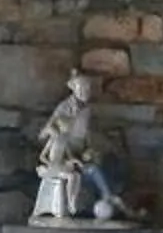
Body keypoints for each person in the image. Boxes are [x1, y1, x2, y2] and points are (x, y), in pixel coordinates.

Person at [31, 73, 135, 223]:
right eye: (83, 88)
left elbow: (86, 136)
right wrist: (55, 136)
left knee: (108, 162)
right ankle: (105, 199)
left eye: (88, 88)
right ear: (74, 89)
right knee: (91, 171)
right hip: (64, 160)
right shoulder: (64, 109)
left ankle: (109, 200)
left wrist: (89, 151)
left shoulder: (86, 110)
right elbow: (45, 135)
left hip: (78, 154)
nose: (86, 91)